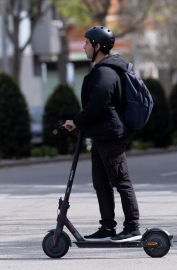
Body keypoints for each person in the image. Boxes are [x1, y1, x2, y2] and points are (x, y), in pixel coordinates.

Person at [63, 26, 141, 243]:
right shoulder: (102, 69)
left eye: (87, 42)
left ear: (98, 46)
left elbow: (99, 102)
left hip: (111, 135)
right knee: (101, 182)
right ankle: (107, 227)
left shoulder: (106, 71)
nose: (84, 46)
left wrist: (76, 121)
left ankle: (133, 227)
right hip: (100, 134)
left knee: (120, 180)